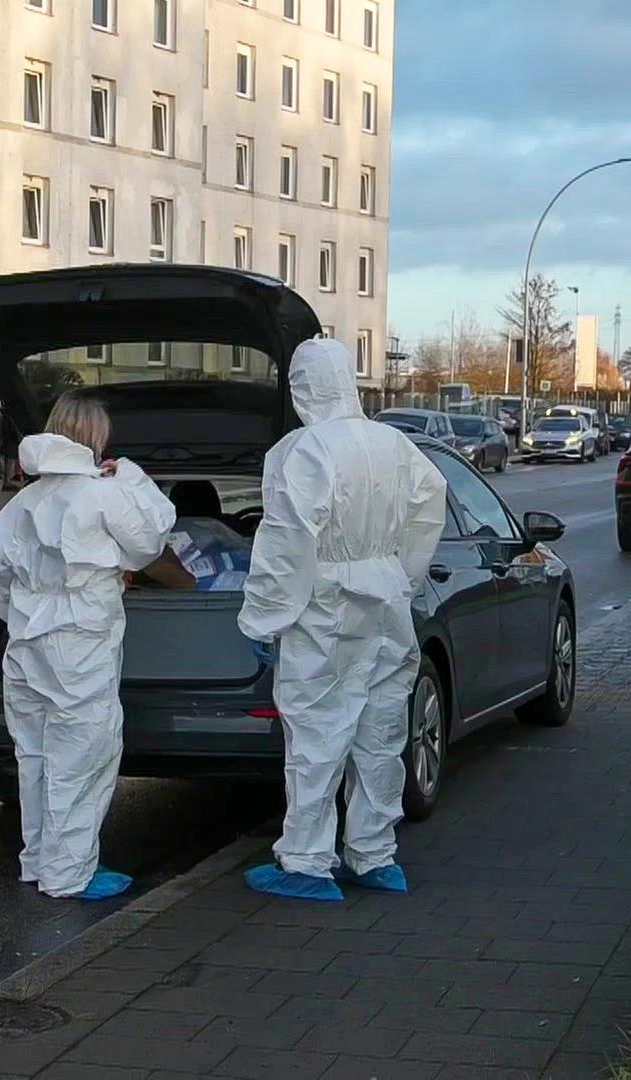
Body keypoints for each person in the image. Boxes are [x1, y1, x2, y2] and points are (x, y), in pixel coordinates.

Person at [237, 338, 449, 902]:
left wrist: (264, 618)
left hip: (326, 605)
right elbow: (432, 501)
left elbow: (286, 543)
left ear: (303, 388)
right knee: (379, 733)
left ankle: (307, 863)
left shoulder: (301, 451)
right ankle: (375, 855)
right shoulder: (394, 445)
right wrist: (398, 573)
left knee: (316, 734)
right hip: (385, 599)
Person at [0, 391, 177, 900]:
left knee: (36, 757)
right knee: (82, 758)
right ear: (95, 439)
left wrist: (29, 614)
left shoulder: (21, 504)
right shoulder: (102, 495)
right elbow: (151, 540)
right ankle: (69, 875)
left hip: (27, 646)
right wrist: (128, 477)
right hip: (80, 645)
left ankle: (40, 863)